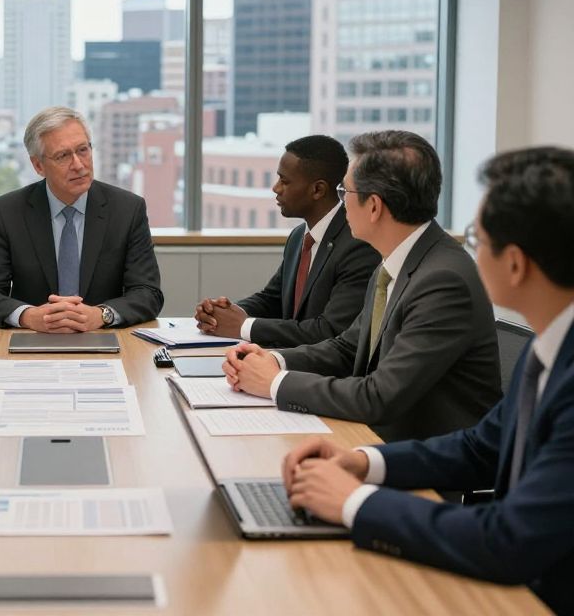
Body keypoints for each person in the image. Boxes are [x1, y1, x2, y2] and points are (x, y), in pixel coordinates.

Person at [281, 146, 574, 614]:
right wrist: (363, 462)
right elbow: (480, 448)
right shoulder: (551, 347)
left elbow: (510, 540)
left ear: (515, 264)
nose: (467, 247)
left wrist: (355, 503)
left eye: (477, 236)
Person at [225, 131, 501, 442]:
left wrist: (275, 383)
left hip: (429, 464)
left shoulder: (443, 281)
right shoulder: (396, 262)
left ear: (374, 207)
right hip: (380, 440)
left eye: (345, 192)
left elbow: (379, 396)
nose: (340, 205)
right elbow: (348, 347)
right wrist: (274, 360)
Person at [0, 106, 163, 331]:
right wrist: (29, 316)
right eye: (63, 156)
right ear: (38, 165)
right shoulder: (7, 212)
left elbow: (148, 293)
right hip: (34, 339)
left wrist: (102, 315)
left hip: (105, 340)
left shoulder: (127, 210)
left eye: (83, 150)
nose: (78, 165)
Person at [195, 135, 379, 346]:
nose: (276, 188)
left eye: (285, 181)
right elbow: (272, 299)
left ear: (317, 190)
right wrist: (221, 314)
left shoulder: (357, 244)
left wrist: (243, 326)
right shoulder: (299, 236)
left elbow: (331, 331)